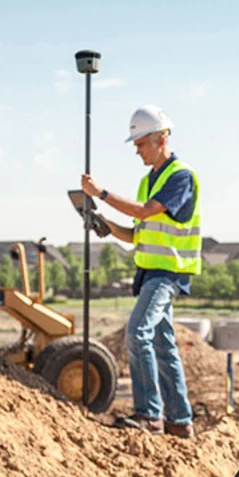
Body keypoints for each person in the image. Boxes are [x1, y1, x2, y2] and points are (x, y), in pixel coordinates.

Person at [79, 105, 201, 438]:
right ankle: (180, 421)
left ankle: (149, 415)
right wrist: (104, 223)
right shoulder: (149, 181)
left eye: (141, 143)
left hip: (168, 273)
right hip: (150, 272)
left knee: (137, 333)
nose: (137, 150)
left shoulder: (180, 176)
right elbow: (136, 234)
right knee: (163, 346)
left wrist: (101, 193)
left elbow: (146, 212)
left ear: (161, 139)